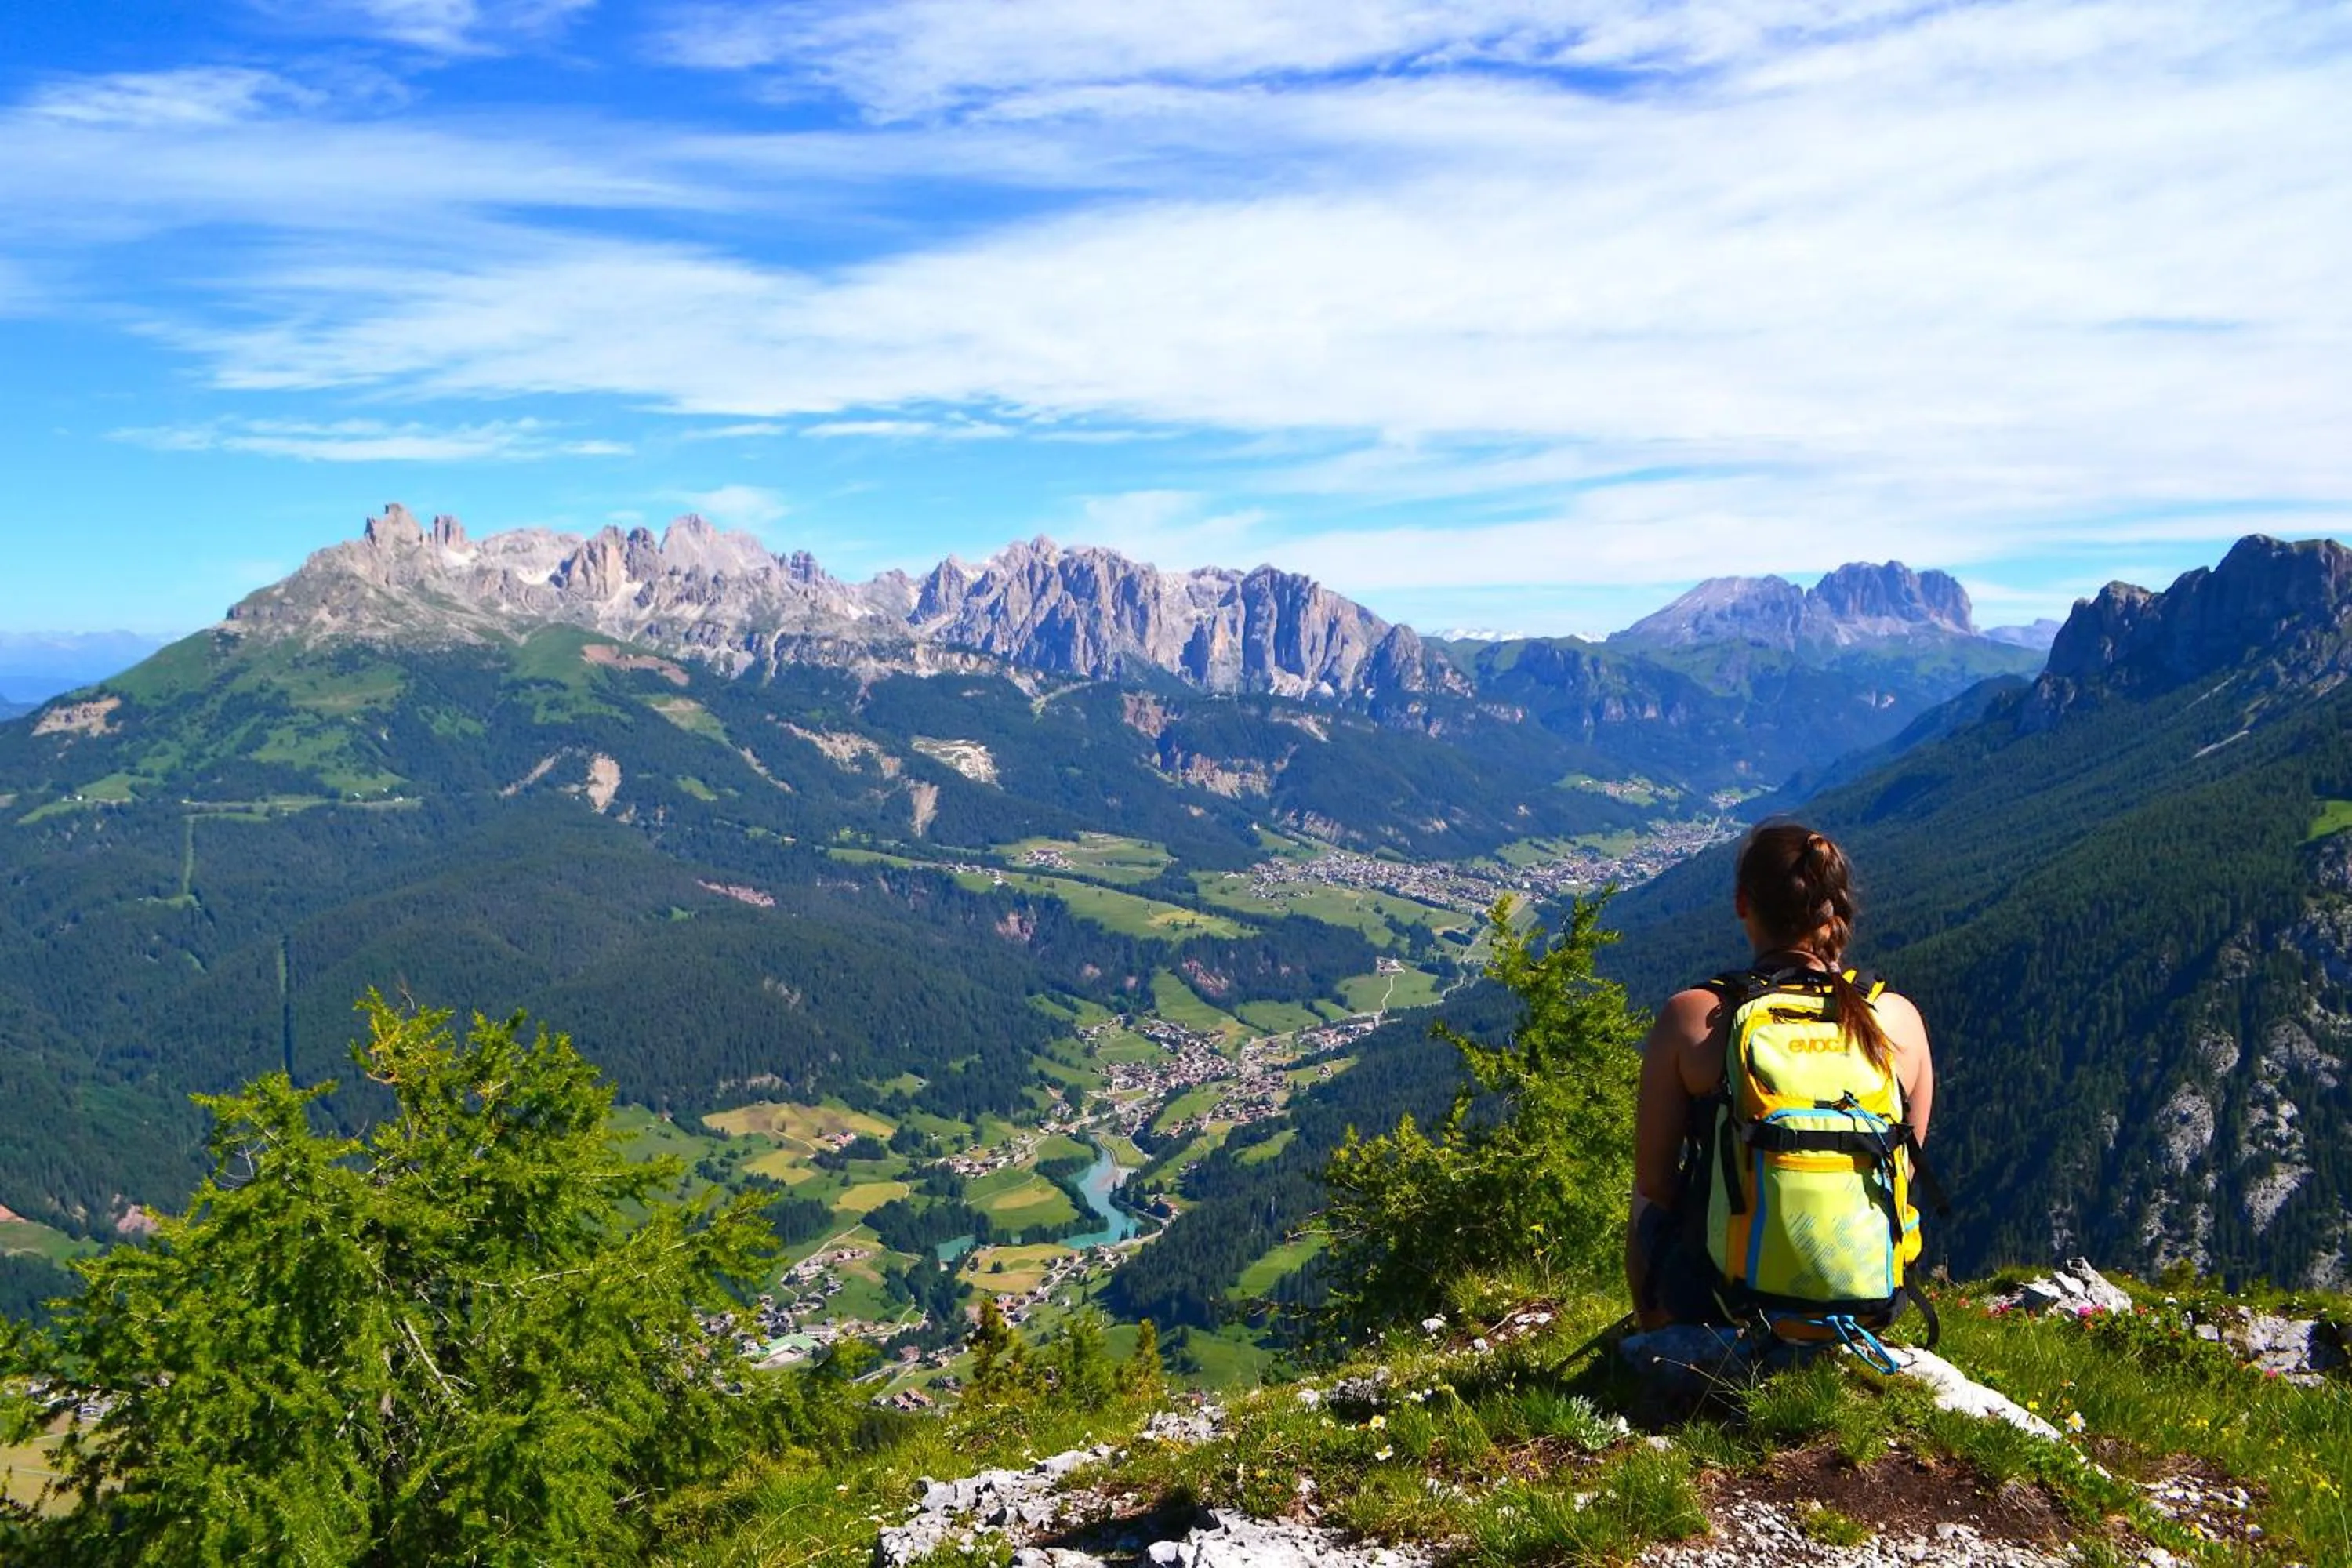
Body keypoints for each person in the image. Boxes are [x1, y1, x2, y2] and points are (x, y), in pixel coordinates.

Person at [1624, 822, 1934, 1331]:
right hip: (1868, 1301)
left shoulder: (1694, 1016)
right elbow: (1905, 1170)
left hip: (1724, 1301)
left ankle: (1658, 1342)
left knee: (1642, 1201)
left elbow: (1656, 1184)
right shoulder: (1898, 1019)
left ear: (1744, 904)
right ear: (1835, 909)